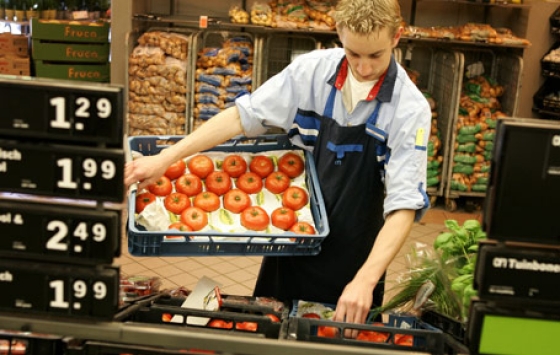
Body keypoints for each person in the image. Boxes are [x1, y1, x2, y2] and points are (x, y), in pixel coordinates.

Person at [125, 0, 431, 326]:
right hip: (291, 243)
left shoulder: (409, 109)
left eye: (376, 55)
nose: (364, 68)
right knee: (270, 331)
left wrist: (366, 280)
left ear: (397, 37)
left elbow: (403, 206)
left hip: (355, 259)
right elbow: (243, 116)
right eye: (353, 54)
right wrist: (166, 158)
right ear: (339, 33)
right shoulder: (311, 72)